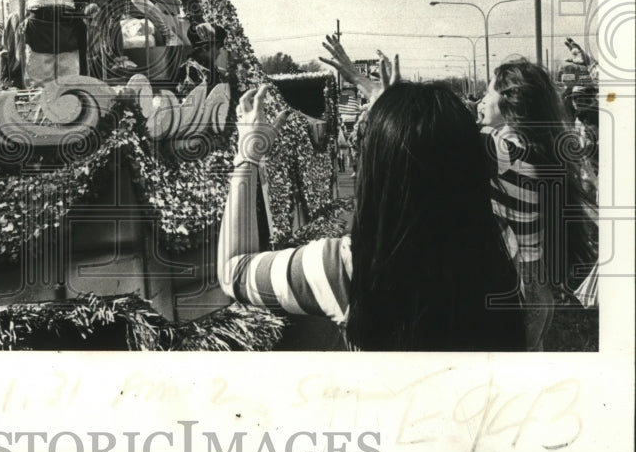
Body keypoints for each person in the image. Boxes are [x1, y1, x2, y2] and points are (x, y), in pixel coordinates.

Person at [219, 76, 525, 351]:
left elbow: (233, 272)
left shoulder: (341, 266)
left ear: (377, 171)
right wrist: (399, 121)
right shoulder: (500, 241)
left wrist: (247, 154)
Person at [478, 59, 599, 346]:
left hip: (519, 288)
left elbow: (440, 137)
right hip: (534, 285)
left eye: (488, 92)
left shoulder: (503, 151)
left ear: (510, 101)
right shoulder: (529, 147)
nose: (481, 100)